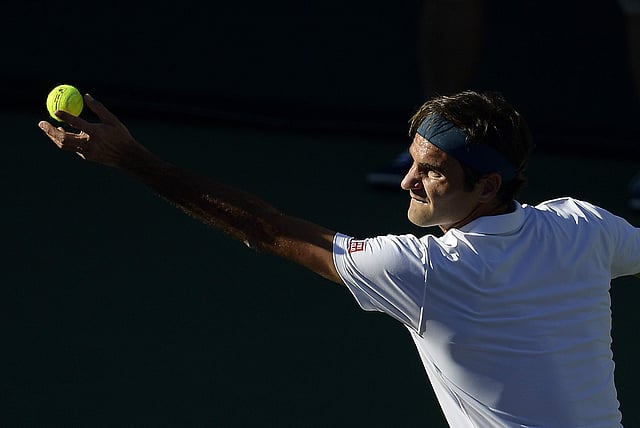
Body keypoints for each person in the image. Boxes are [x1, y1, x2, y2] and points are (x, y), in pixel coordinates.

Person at [38, 90, 640, 427]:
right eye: (412, 161)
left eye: (431, 172)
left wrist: (134, 160)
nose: (407, 182)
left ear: (487, 187)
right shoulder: (583, 225)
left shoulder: (428, 272)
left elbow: (265, 228)